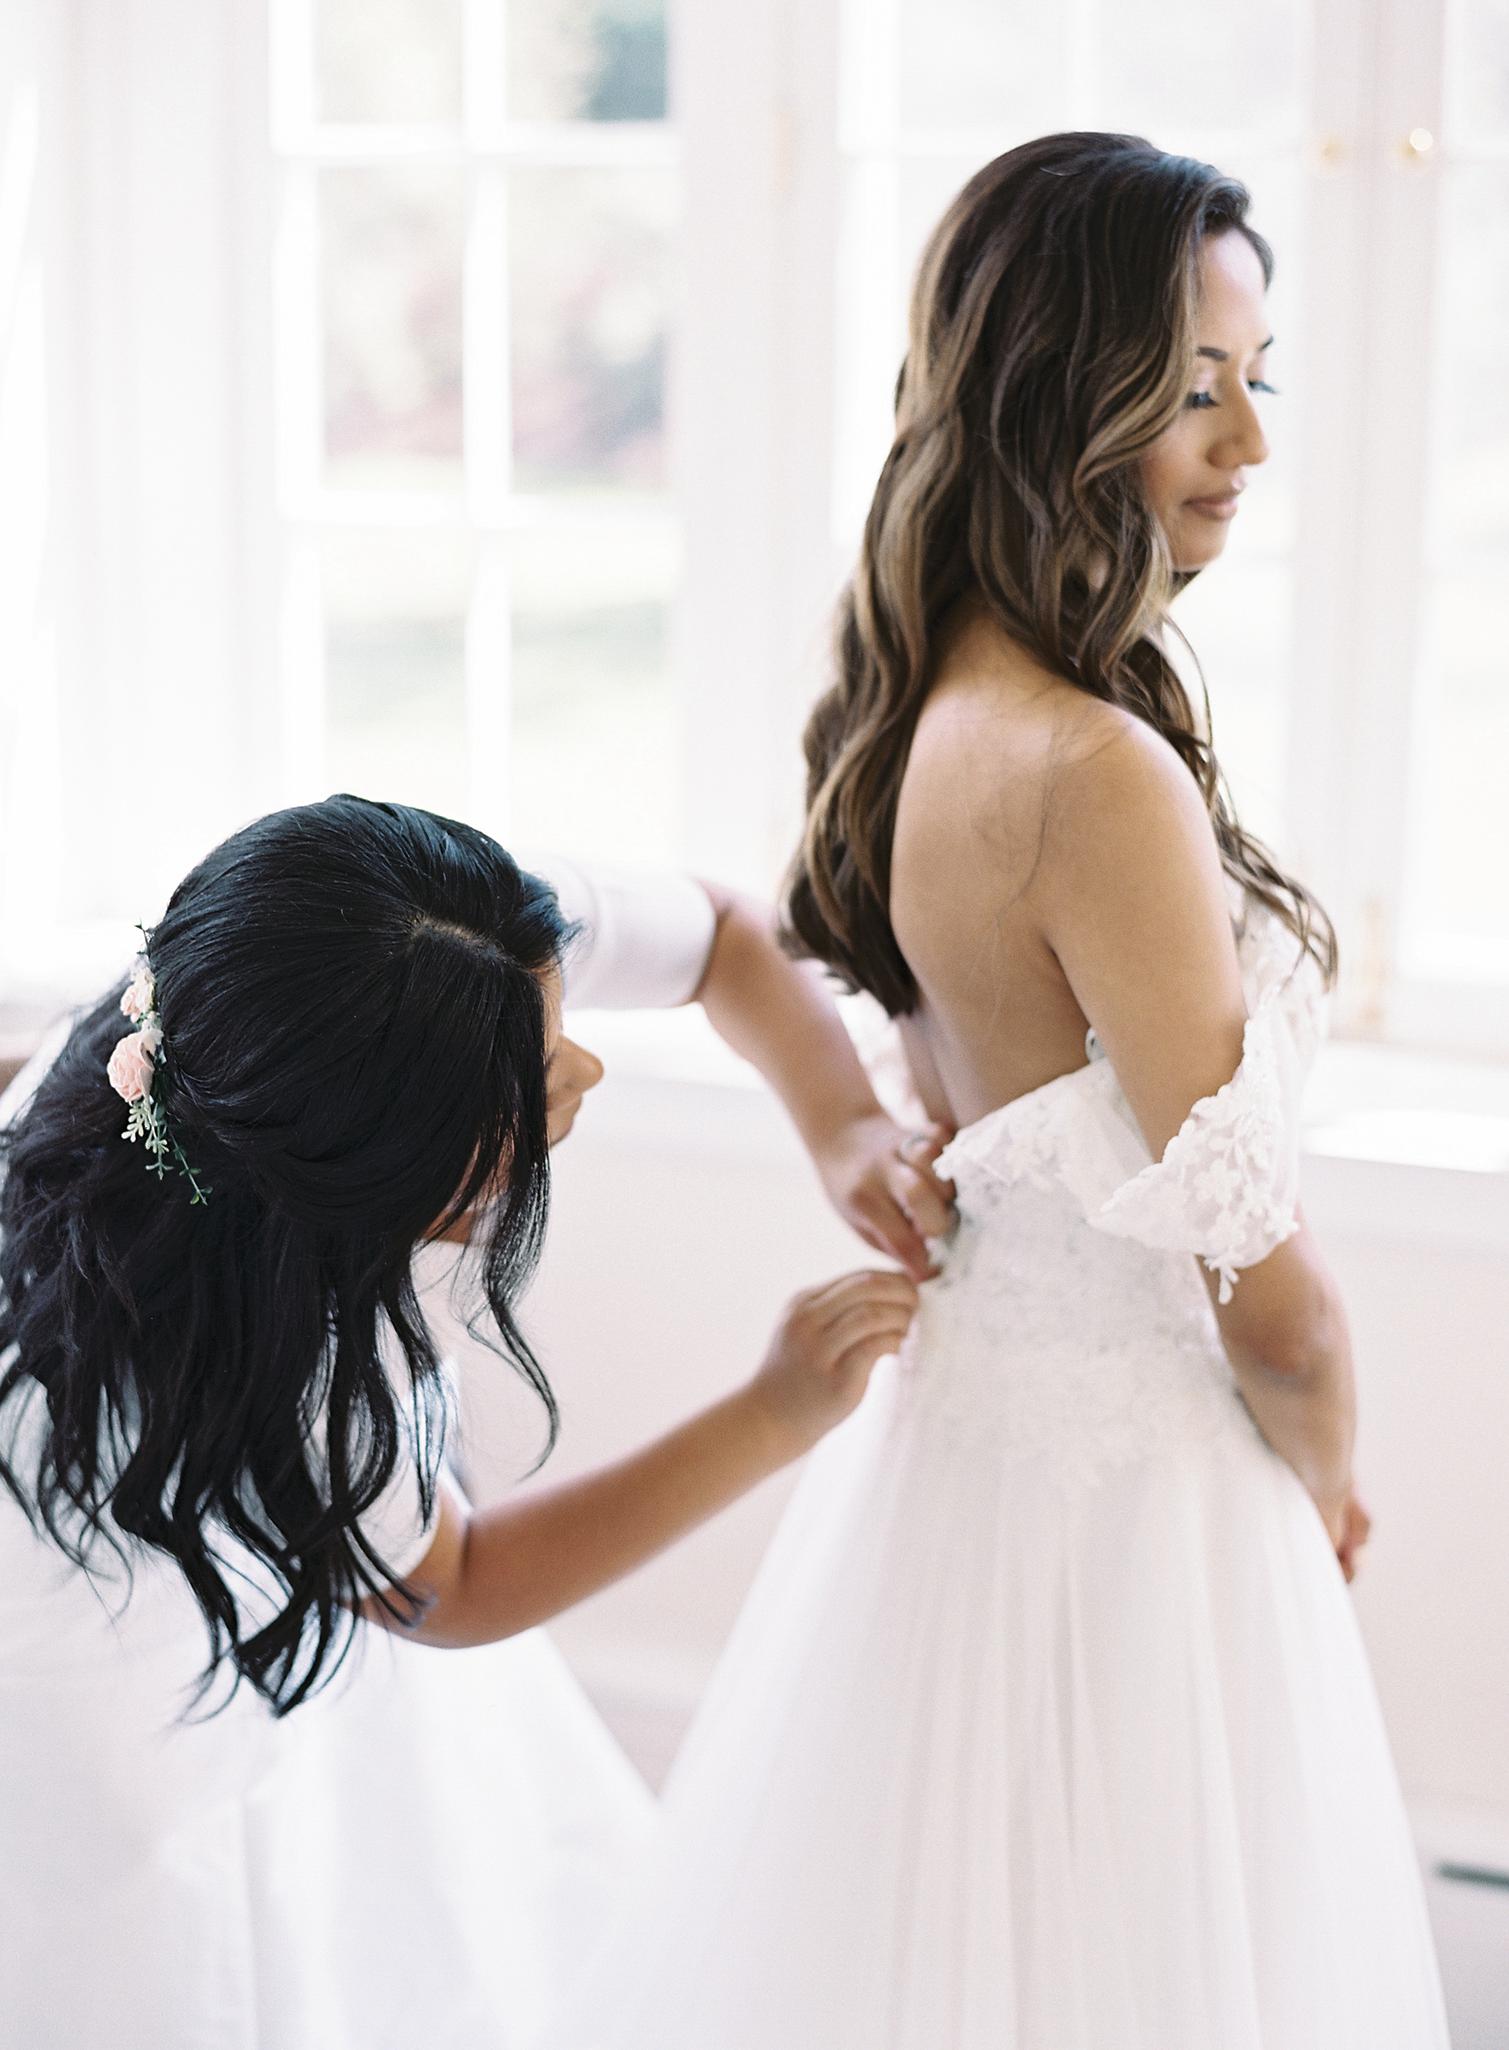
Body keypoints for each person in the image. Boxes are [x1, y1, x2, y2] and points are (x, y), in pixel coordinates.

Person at [556, 134, 1452, 2048]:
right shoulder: (1085, 768)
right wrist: (1327, 1475)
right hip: (1140, 1501)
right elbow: (1265, 1297)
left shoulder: (916, 713)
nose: (1245, 443)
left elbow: (939, 1080)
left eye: (1256, 381)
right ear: (1062, 386)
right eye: (1195, 388)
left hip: (957, 1467)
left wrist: (854, 1134)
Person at [0, 795, 947, 2050]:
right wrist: (771, 1414)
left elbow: (721, 930)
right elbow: (452, 1583)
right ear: (381, 1172)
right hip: (96, 1637)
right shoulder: (314, 1381)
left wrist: (847, 1129)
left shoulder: (449, 933)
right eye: (538, 1080)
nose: (587, 1066)